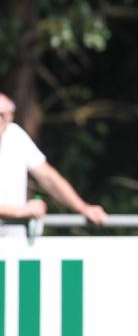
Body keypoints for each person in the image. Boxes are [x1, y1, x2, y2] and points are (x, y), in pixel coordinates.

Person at [0, 93, 107, 236]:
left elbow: (48, 177)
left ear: (11, 116)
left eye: (2, 114)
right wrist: (20, 211)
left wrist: (83, 208)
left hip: (13, 246)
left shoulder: (15, 135)